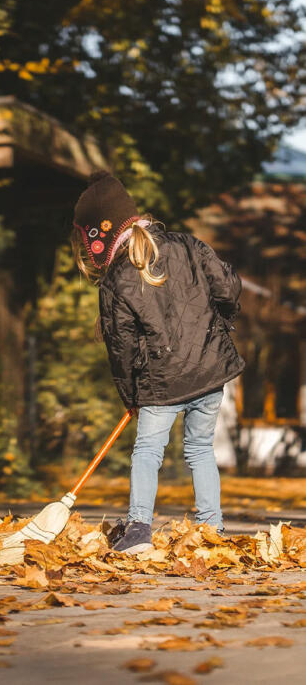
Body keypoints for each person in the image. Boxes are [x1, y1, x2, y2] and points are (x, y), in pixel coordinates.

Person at [72, 172, 244, 554]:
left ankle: (138, 530)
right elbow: (228, 286)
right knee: (200, 448)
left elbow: (122, 347)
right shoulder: (188, 245)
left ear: (100, 237)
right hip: (209, 372)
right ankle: (211, 528)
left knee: (148, 451)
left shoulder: (116, 279)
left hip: (160, 385)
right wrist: (221, 325)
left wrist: (130, 395)